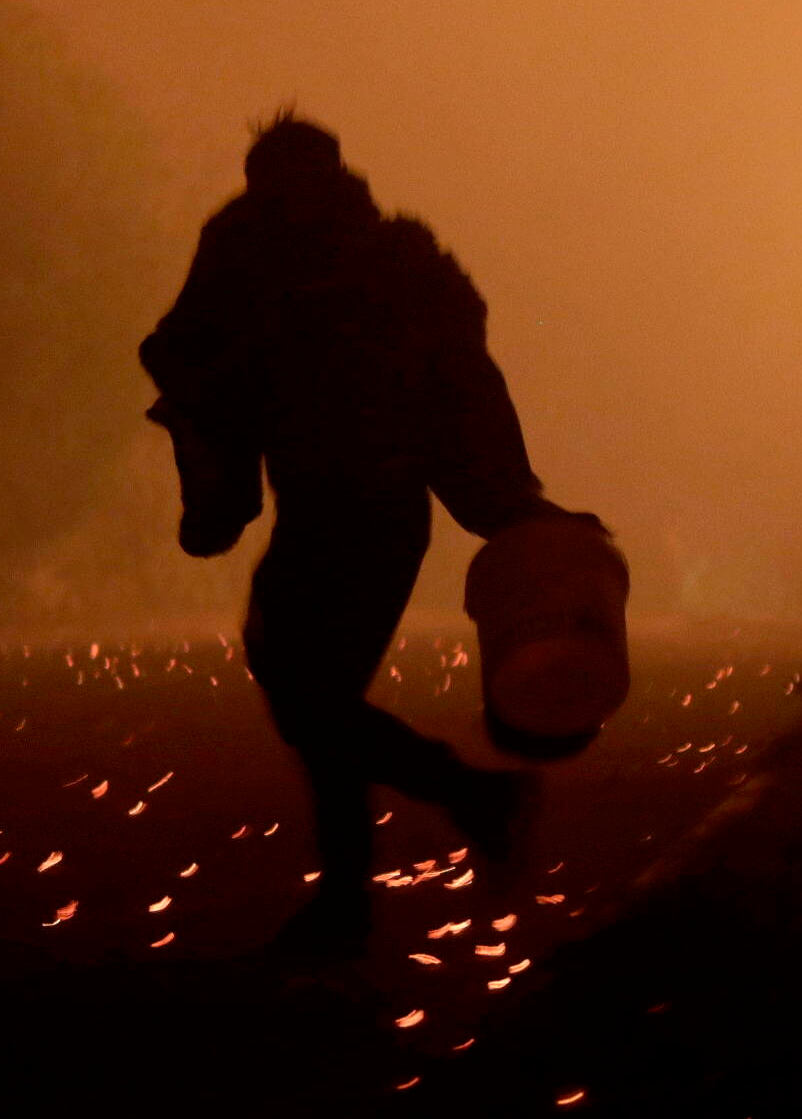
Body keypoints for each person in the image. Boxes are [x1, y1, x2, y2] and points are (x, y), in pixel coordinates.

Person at [141, 112, 557, 959]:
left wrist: (514, 504)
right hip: (371, 515)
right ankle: (373, 878)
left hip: (356, 511)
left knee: (310, 698)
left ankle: (434, 826)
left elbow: (188, 352)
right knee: (314, 698)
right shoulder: (375, 262)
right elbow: (469, 389)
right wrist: (509, 501)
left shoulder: (300, 254)